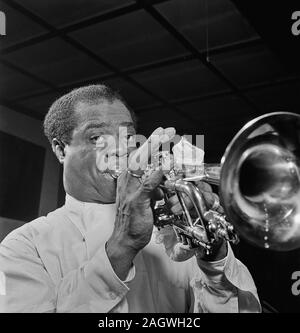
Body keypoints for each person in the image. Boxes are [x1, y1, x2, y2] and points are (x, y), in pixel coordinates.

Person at [0, 84, 261, 313]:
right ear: (60, 149)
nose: (120, 149)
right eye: (97, 137)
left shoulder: (175, 233)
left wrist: (212, 253)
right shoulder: (23, 247)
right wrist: (123, 244)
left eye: (127, 137)